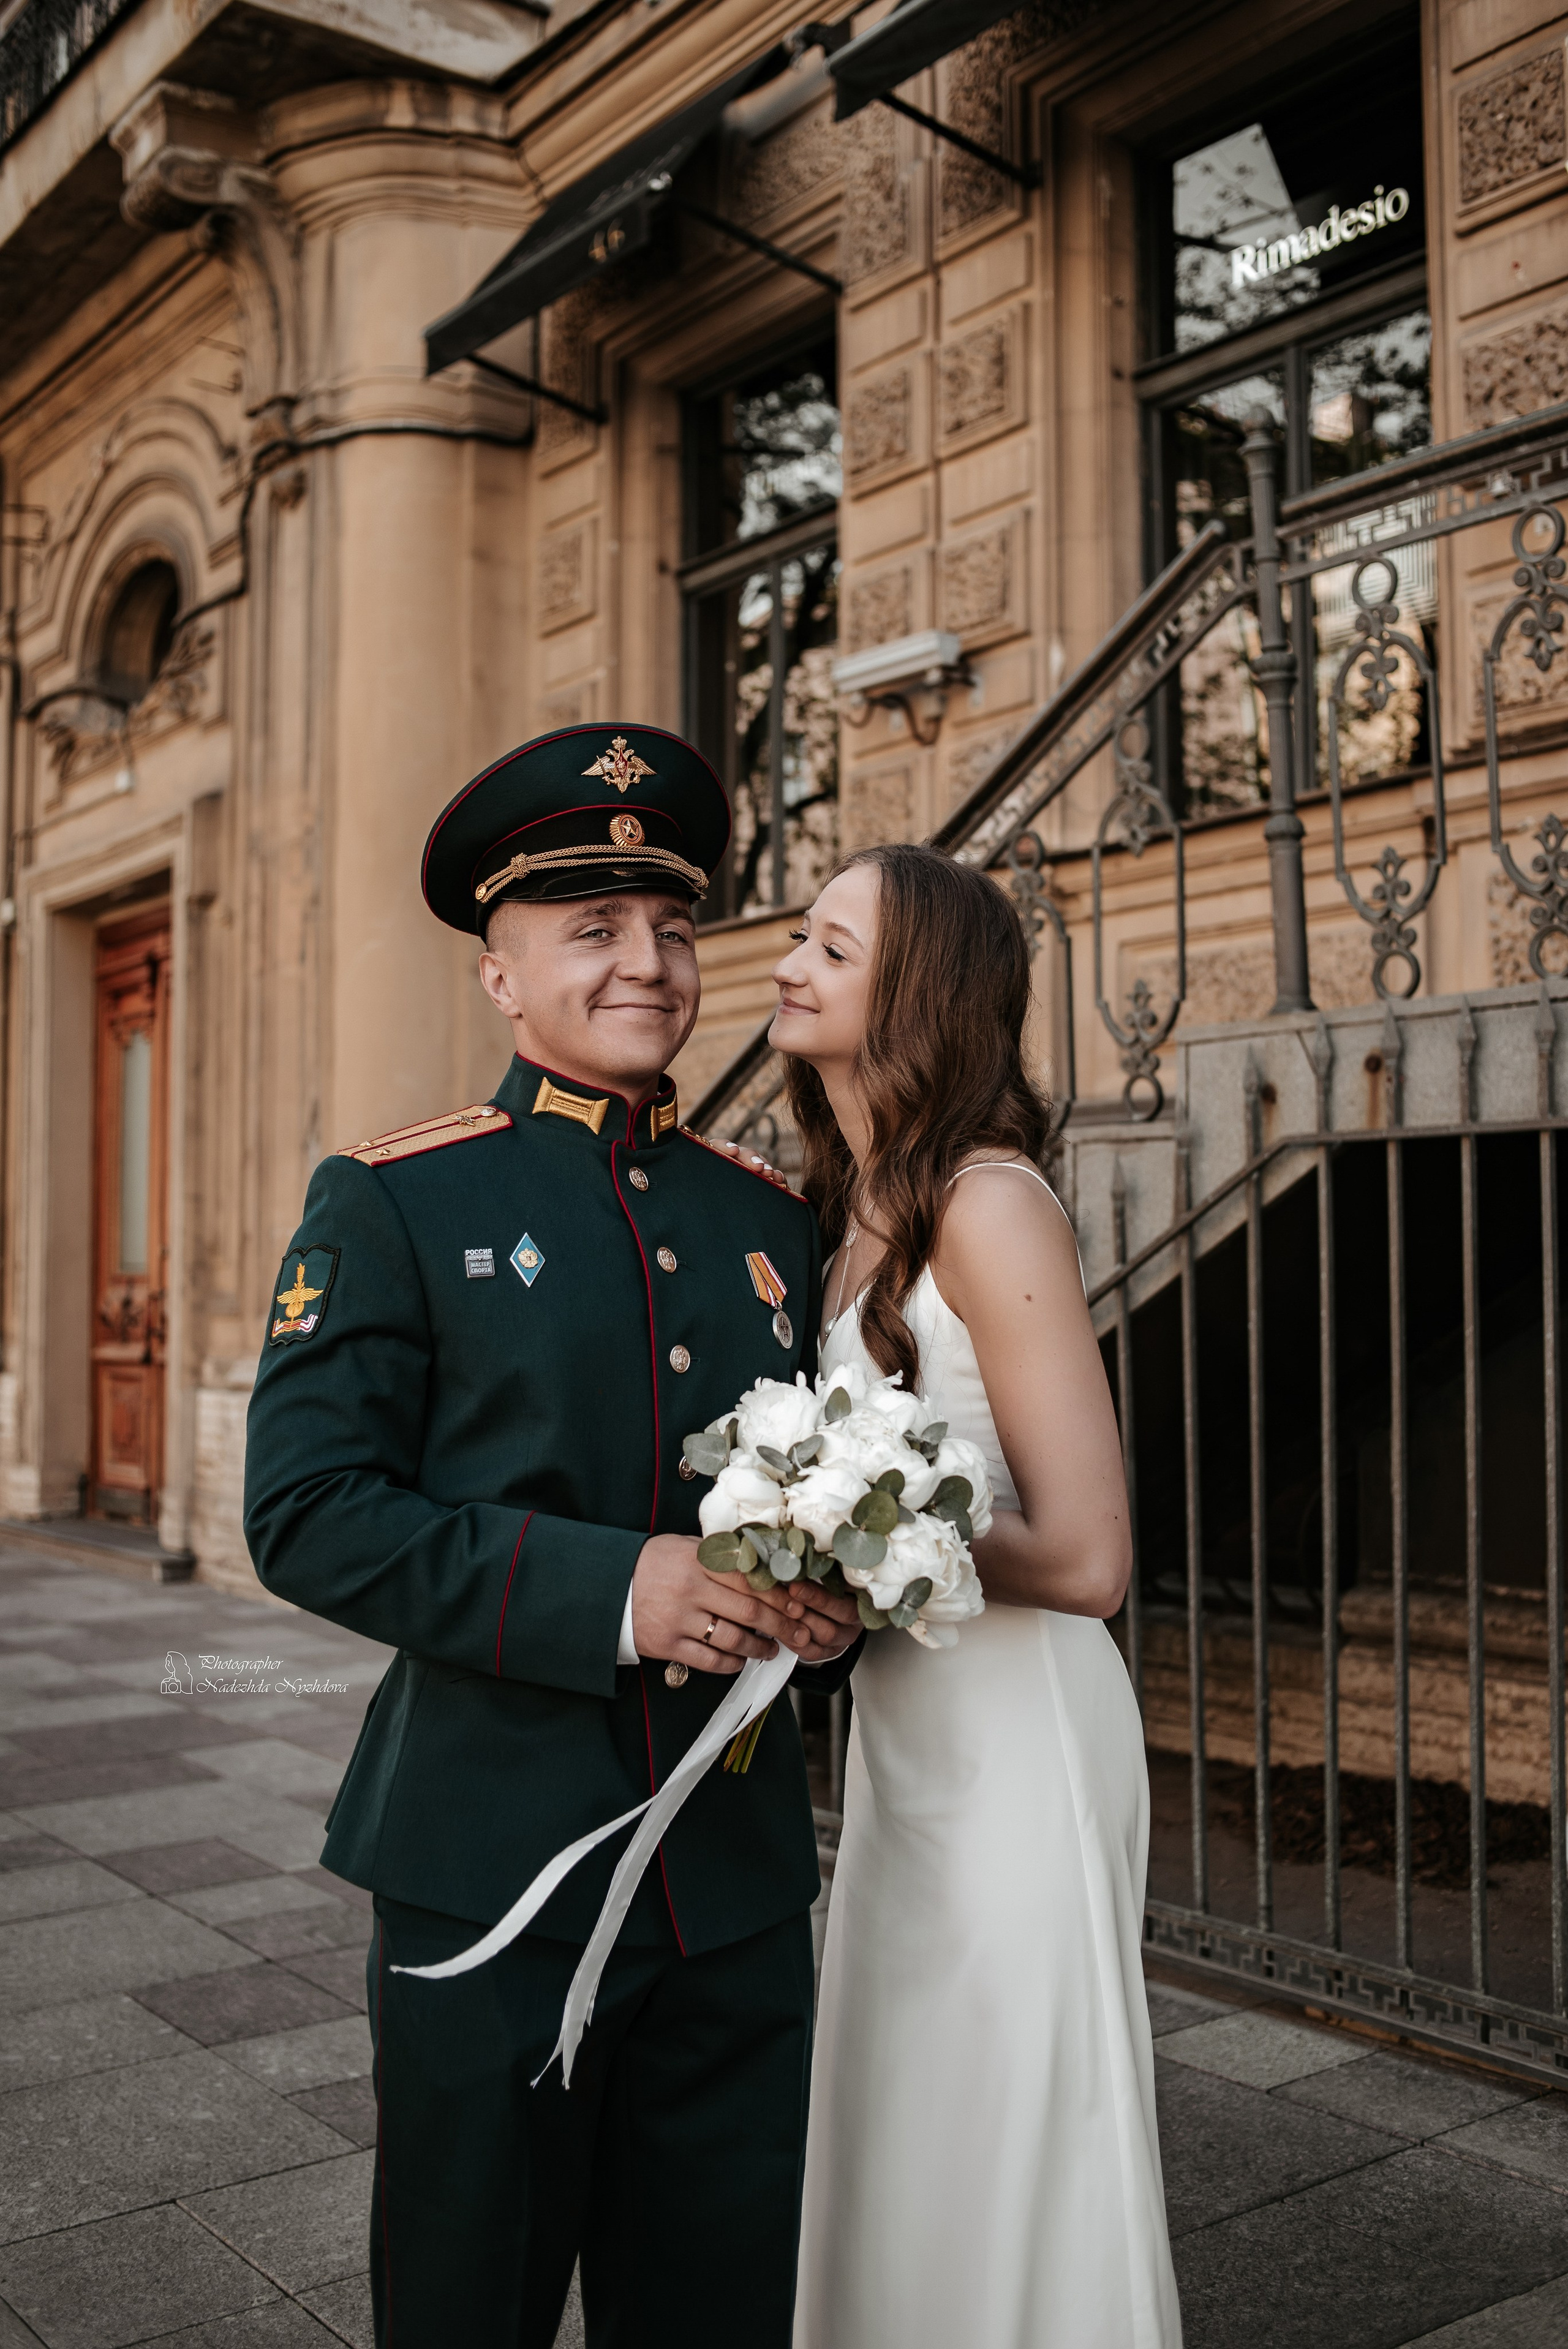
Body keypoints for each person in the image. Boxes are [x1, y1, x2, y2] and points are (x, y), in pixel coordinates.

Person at [243, 723, 861, 2349]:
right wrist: (620, 1588)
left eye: (669, 923)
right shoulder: (393, 1201)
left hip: (729, 1886)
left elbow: (801, 1480)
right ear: (501, 973)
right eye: (590, 927)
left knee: (721, 2305)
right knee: (472, 2300)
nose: (646, 961)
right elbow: (306, 1512)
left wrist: (827, 1591)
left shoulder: (767, 1214)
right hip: (485, 1868)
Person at [780, 843, 1183, 2349]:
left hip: (1017, 1729)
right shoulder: (860, 1203)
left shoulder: (987, 1201)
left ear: (913, 991)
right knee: (907, 2086)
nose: (788, 962)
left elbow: (1085, 1557)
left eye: (828, 945)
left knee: (1013, 2099)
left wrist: (856, 1529)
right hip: (912, 1723)